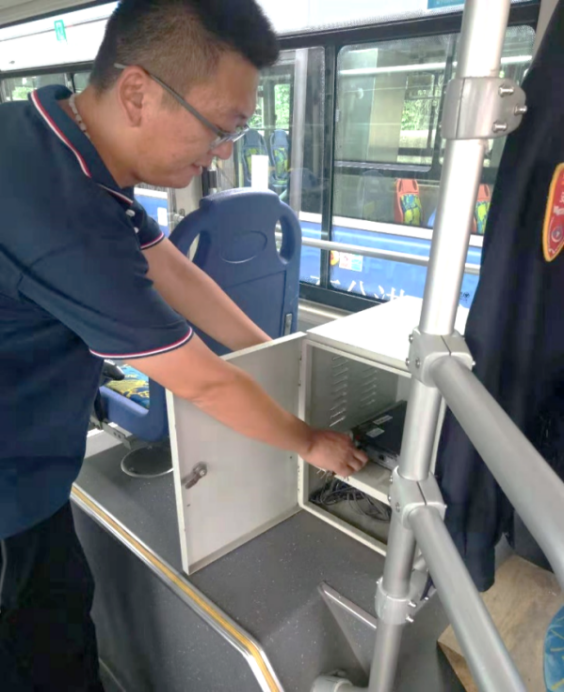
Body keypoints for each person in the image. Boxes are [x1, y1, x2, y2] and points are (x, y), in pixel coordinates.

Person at [0, 0, 368, 689]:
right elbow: (201, 381)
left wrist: (276, 351)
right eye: (221, 128)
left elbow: (175, 273)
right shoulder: (59, 210)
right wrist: (309, 441)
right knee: (40, 649)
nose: (223, 152)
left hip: (32, 461)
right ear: (138, 93)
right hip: (9, 483)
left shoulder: (60, 146)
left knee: (61, 603)